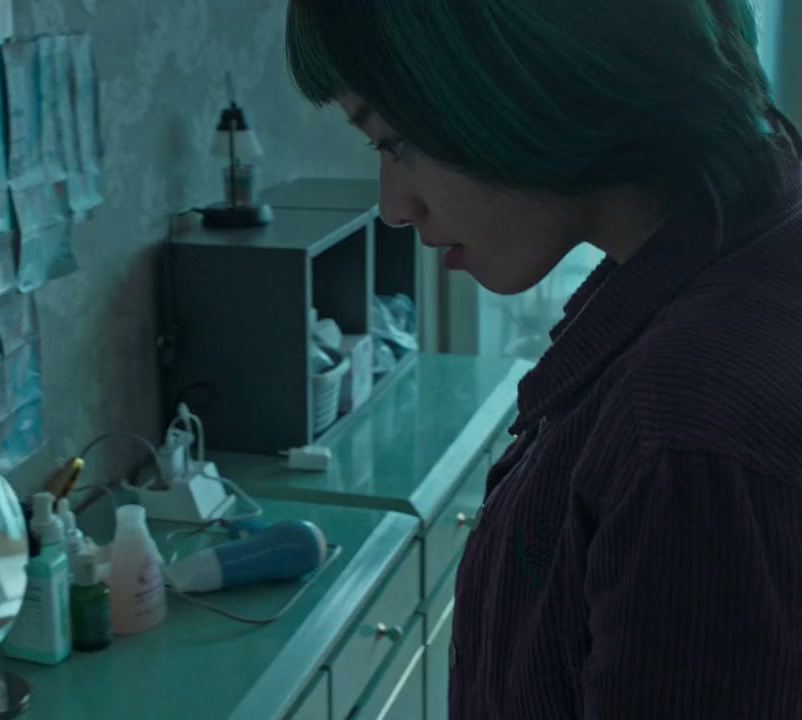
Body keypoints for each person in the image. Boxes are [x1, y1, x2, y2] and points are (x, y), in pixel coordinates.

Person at [286, 1, 802, 718]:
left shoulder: (685, 434)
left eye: (394, 142)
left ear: (524, 68)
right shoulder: (737, 244)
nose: (395, 206)